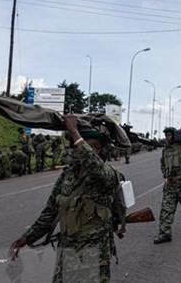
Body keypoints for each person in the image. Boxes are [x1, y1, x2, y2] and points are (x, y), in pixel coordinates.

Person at [9, 113, 128, 283]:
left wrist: (74, 131)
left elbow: (94, 167)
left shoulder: (108, 175)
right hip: (67, 250)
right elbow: (50, 213)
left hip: (93, 253)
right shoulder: (67, 176)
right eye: (74, 145)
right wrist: (26, 238)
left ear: (97, 150)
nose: (75, 149)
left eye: (81, 145)